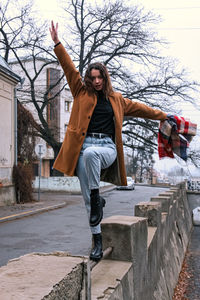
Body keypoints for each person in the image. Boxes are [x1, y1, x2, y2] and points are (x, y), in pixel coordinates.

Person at [49, 21, 167, 261]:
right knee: (87, 202)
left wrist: (164, 116)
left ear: (105, 77)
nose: (96, 81)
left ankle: (96, 197)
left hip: (106, 149)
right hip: (83, 149)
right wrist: (57, 43)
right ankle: (97, 241)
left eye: (99, 77)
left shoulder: (117, 99)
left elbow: (143, 109)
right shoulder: (81, 93)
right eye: (92, 78)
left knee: (93, 156)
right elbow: (69, 68)